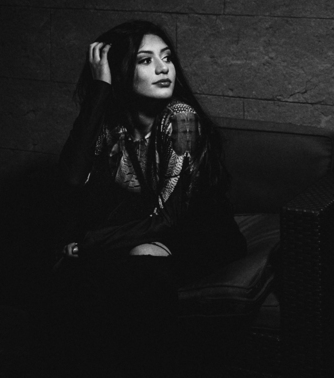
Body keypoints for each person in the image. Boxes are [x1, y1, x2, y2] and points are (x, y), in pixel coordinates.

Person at [51, 20, 245, 376]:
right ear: (121, 72)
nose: (162, 68)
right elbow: (72, 178)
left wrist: (91, 243)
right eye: (145, 60)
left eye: (167, 57)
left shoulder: (183, 121)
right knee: (81, 274)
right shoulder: (114, 126)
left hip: (199, 233)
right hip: (142, 227)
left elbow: (171, 218)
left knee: (137, 262)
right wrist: (99, 91)